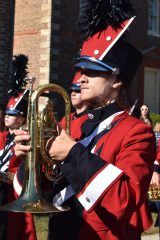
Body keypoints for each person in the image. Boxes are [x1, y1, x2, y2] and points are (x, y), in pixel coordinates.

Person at [13, 1, 156, 240]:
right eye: (81, 70)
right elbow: (39, 191)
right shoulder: (71, 125)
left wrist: (72, 153)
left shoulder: (136, 132)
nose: (82, 78)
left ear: (116, 80)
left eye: (92, 71)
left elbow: (126, 200)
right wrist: (31, 158)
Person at [0, 54, 37, 240]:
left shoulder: (26, 138)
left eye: (12, 114)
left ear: (22, 118)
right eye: (6, 113)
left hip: (12, 193)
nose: (7, 116)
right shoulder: (1, 137)